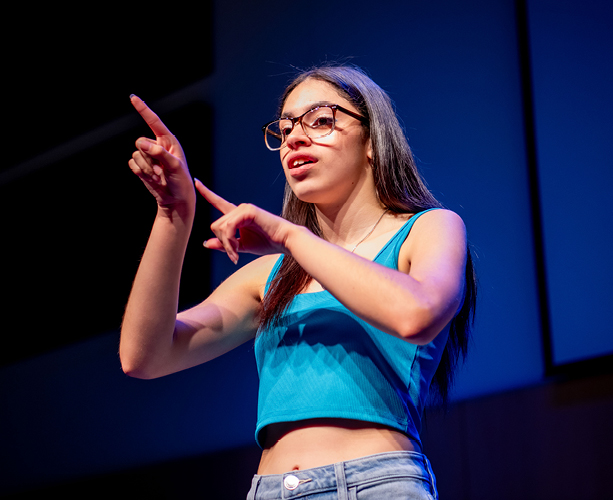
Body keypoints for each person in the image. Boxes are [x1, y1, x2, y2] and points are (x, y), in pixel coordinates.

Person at [120, 65, 476, 500]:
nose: (294, 139)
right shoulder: (271, 276)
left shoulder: (430, 228)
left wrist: (289, 235)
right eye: (285, 129)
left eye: (321, 120)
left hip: (375, 483)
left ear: (371, 140)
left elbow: (417, 313)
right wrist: (173, 214)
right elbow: (145, 356)